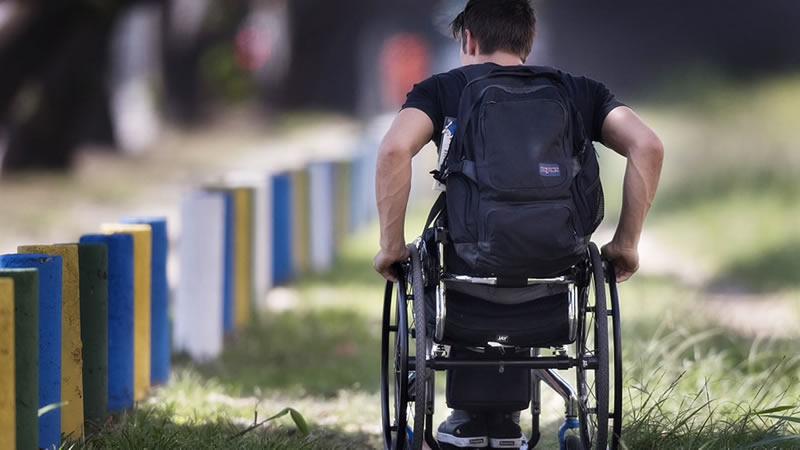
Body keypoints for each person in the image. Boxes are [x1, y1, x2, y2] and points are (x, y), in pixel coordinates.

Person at [373, 0, 664, 448]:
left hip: (466, 273)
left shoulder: (442, 89)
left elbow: (394, 151)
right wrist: (626, 244)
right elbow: (648, 145)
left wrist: (390, 247)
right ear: (526, 41)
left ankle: (467, 419)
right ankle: (530, 418)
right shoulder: (577, 90)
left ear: (467, 38)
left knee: (441, 251)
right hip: (555, 269)